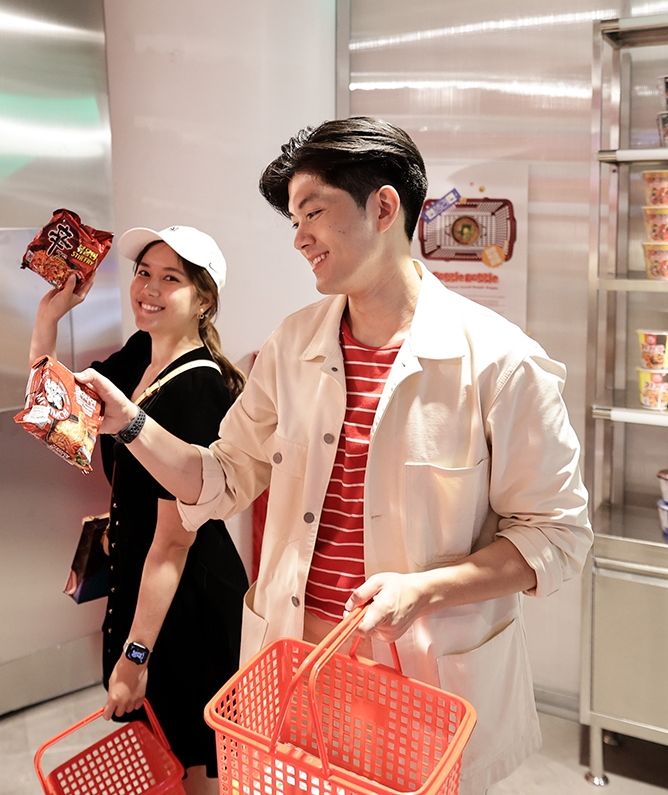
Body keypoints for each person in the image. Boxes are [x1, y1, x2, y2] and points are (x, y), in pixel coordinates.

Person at [75, 117, 593, 795]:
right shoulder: (292, 345)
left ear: (383, 206)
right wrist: (131, 423)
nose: (299, 238)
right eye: (294, 220)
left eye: (313, 213)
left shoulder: (501, 362)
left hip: (424, 675)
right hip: (294, 658)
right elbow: (222, 476)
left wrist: (424, 590)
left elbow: (556, 535)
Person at [30, 225, 249, 795]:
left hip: (187, 599)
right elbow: (57, 417)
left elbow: (174, 542)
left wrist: (134, 656)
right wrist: (48, 319)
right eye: (144, 273)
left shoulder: (198, 391)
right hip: (145, 581)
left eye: (170, 278)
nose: (149, 289)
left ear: (203, 299)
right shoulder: (140, 355)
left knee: (191, 761)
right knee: (163, 754)